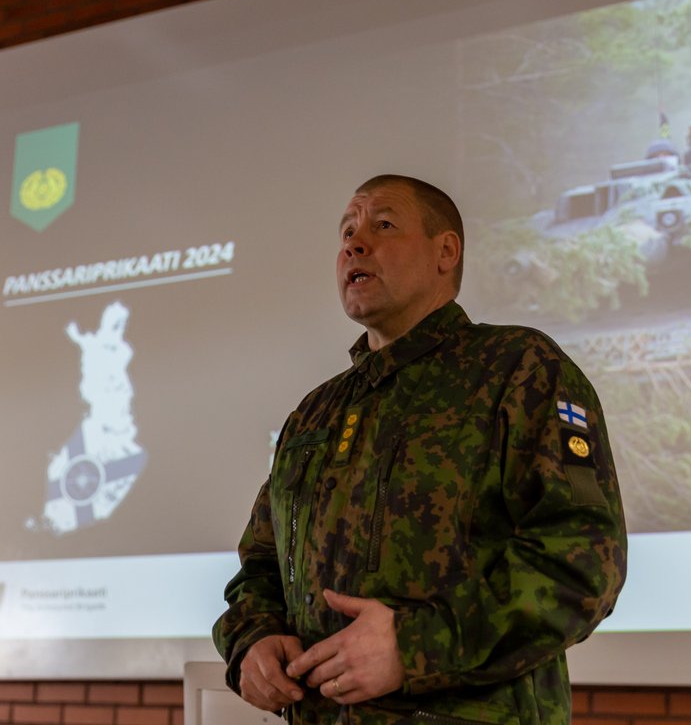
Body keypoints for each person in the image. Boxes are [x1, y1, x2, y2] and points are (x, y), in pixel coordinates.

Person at [212, 174, 627, 724]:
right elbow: (262, 562)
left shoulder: (517, 368)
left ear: (445, 252)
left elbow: (583, 562)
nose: (354, 245)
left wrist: (414, 647)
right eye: (347, 232)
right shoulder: (315, 412)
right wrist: (253, 636)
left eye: (383, 225)